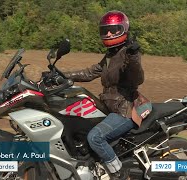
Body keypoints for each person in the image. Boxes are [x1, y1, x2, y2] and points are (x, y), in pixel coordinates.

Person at [64, 11, 152, 180]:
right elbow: (90, 72)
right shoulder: (111, 55)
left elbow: (138, 78)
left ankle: (120, 174)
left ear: (123, 29)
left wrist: (133, 58)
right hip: (109, 106)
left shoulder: (128, 53)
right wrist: (63, 75)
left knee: (95, 137)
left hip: (124, 110)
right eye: (106, 30)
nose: (109, 34)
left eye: (113, 30)